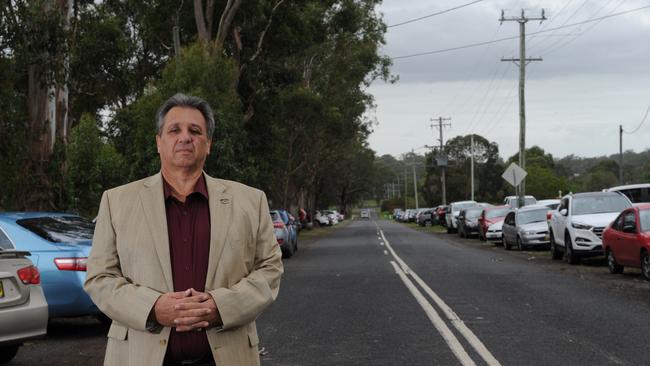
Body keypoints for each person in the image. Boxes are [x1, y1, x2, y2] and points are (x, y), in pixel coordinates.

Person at [84, 93, 283, 366]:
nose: (185, 137)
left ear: (208, 144)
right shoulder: (116, 201)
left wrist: (219, 307)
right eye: (174, 129)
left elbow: (270, 270)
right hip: (139, 356)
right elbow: (100, 278)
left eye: (195, 131)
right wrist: (153, 309)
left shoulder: (251, 200)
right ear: (159, 142)